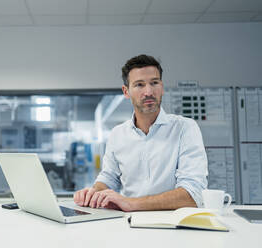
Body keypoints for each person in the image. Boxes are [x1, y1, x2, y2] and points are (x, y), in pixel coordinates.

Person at [73, 54, 208, 212]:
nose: (149, 91)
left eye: (154, 83)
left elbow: (192, 195)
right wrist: (93, 193)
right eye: (139, 85)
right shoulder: (118, 134)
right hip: (130, 226)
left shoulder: (185, 128)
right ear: (126, 91)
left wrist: (130, 203)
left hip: (175, 226)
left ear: (162, 87)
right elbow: (108, 178)